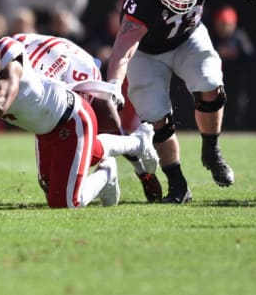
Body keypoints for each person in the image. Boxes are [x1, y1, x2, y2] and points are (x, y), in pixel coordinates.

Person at [0, 36, 159, 208]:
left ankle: (114, 166)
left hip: (70, 111)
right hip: (46, 125)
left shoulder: (9, 65)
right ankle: (135, 145)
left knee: (66, 201)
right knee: (54, 181)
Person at [106, 0, 256, 203]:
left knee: (211, 85)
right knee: (157, 118)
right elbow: (124, 47)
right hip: (146, 52)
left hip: (188, 37)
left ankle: (211, 151)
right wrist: (113, 85)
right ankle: (178, 185)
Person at [10, 32, 163, 202]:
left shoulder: (44, 76)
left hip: (72, 72)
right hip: (51, 66)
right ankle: (114, 169)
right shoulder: (9, 55)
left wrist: (143, 174)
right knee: (49, 182)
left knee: (93, 134)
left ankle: (136, 150)